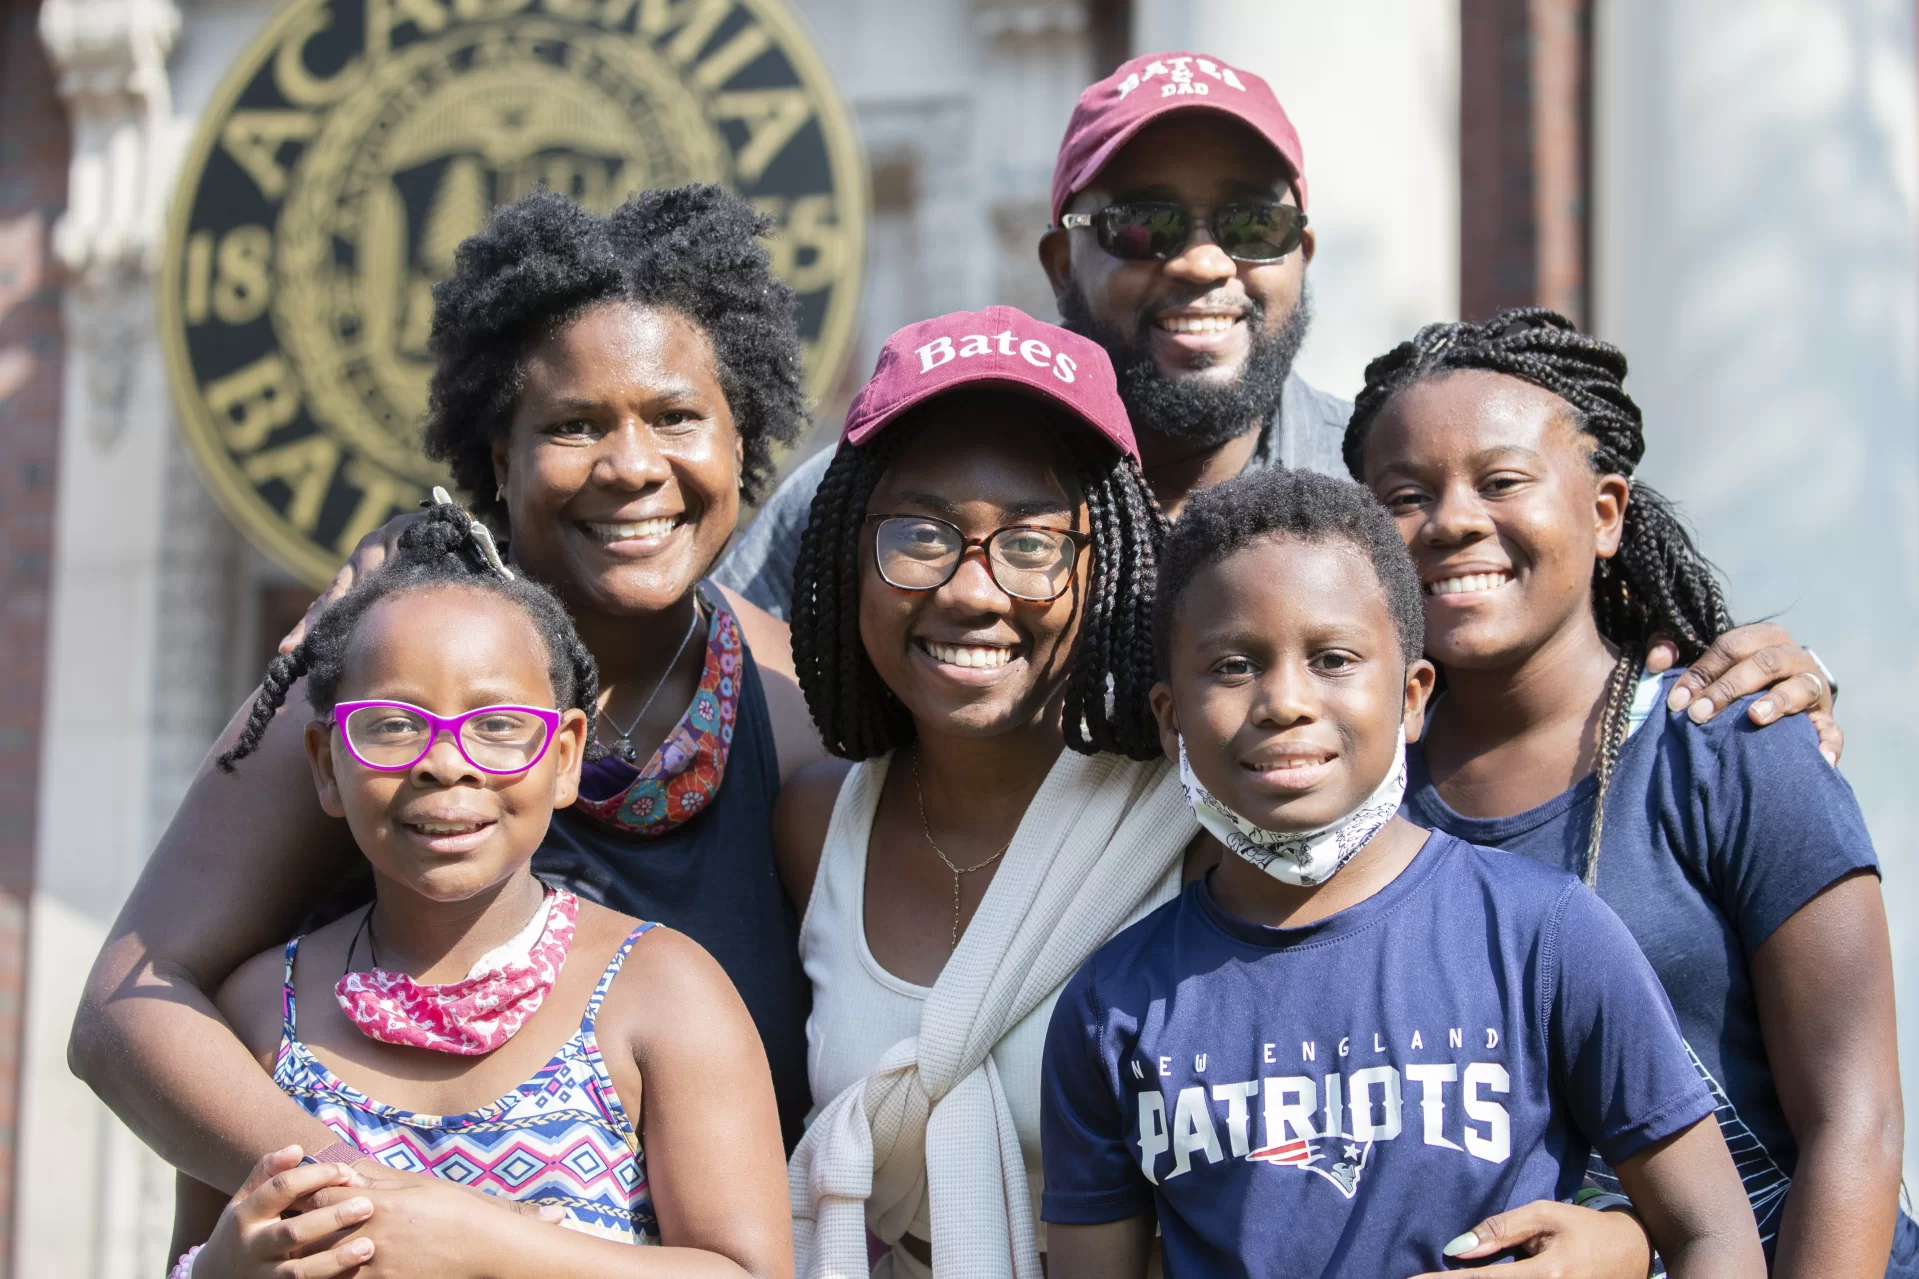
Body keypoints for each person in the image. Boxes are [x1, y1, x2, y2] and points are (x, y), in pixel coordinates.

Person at [715, 50, 1844, 767]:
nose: (1202, 263)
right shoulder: (901, 488)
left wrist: (1740, 683)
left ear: (1299, 255)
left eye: (1248, 225)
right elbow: (717, 669)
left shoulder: (1380, 485)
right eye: (1144, 225)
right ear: (1062, 257)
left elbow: (1578, 657)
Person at [69, 185, 826, 1224]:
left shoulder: (801, 703)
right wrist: (376, 1204)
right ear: (494, 460)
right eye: (571, 425)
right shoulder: (374, 675)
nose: (631, 466)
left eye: (676, 417)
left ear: (743, 442)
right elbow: (124, 1014)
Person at [1040, 467, 1765, 1278]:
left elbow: (1712, 1235)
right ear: (1171, 720)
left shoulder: (1543, 934)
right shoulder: (1112, 1007)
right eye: (1234, 664)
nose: (1284, 701)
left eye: (1333, 657)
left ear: (1412, 696)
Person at [1347, 309, 1913, 1275]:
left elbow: (1852, 1122)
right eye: (1404, 495)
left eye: (1501, 480)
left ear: (1604, 512)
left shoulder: (1729, 746)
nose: (1450, 520)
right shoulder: (1354, 801)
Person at [168, 499, 790, 1279]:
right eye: (394, 724)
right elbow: (198, 1252)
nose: (445, 761)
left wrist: (477, 1241)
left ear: (564, 756)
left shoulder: (660, 992)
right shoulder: (260, 1017)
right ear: (327, 764)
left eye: (498, 724)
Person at [774, 307, 1199, 1279]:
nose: (972, 591)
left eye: (1031, 542)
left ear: (1108, 566)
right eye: (920, 533)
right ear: (850, 549)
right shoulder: (814, 823)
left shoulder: (1187, 825)